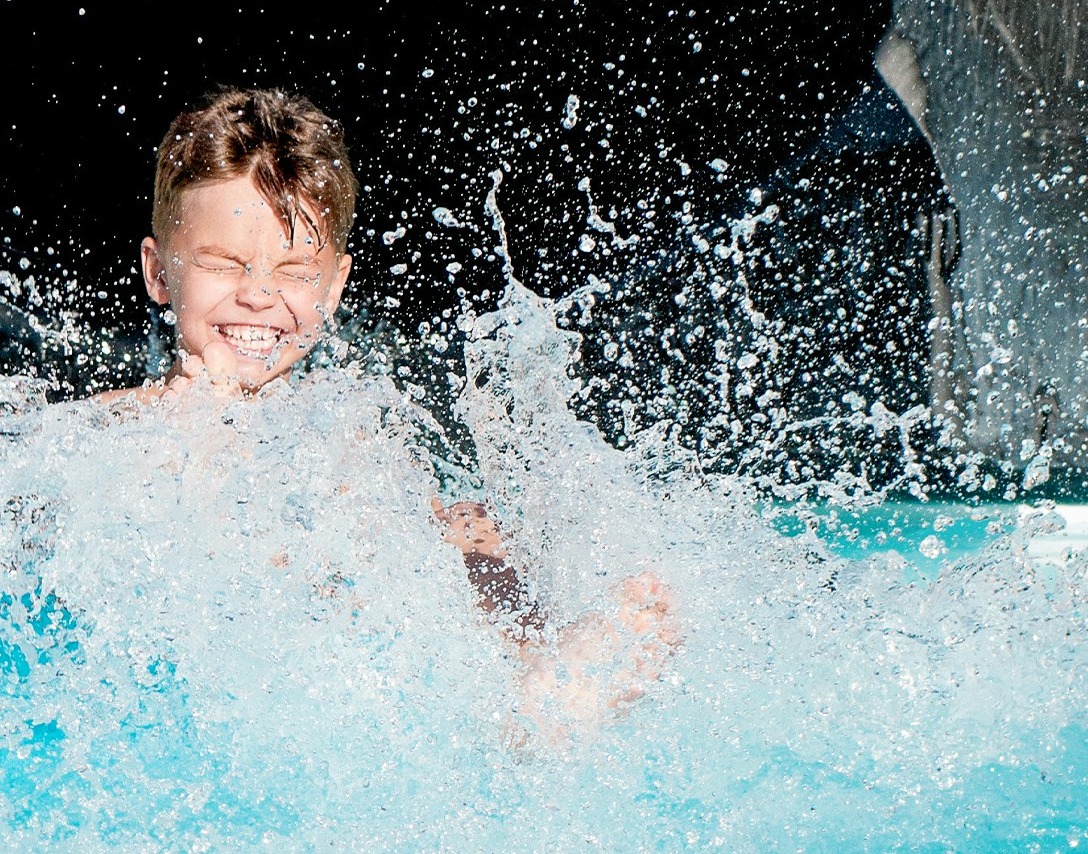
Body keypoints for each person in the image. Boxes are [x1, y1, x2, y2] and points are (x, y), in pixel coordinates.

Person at [99, 86, 677, 739]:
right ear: (158, 272)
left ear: (334, 286)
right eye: (224, 265)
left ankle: (537, 676)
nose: (259, 295)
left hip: (348, 668)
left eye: (292, 272)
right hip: (220, 675)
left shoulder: (342, 427)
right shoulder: (121, 424)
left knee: (462, 521)